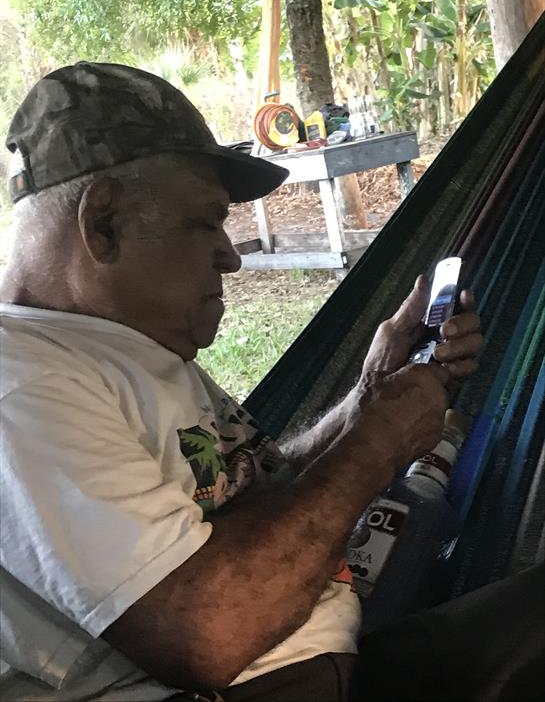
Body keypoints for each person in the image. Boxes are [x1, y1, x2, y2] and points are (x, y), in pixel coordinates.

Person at [0, 63, 541, 702]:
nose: (231, 256)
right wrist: (376, 444)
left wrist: (365, 400)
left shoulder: (120, 346)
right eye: (206, 221)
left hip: (330, 654)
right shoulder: (25, 384)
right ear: (104, 222)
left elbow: (247, 489)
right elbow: (208, 633)